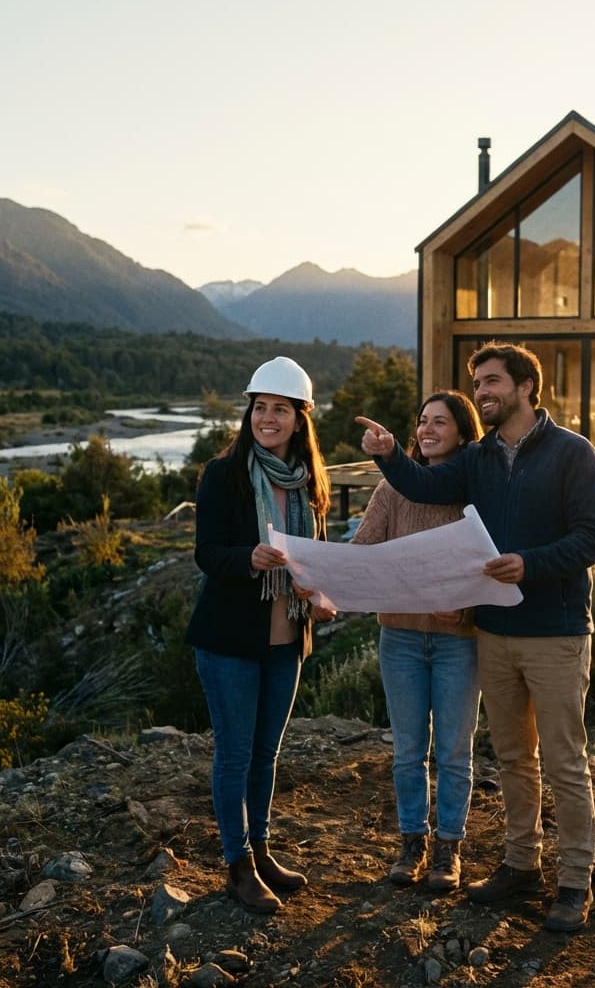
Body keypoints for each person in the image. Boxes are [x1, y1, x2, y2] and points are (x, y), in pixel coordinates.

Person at [356, 341, 595, 932]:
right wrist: (392, 454)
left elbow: (593, 538)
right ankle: (521, 864)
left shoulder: (574, 454)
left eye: (492, 381)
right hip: (493, 633)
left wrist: (529, 562)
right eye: (478, 384)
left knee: (566, 762)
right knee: (516, 759)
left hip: (556, 632)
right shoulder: (480, 459)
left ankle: (574, 880)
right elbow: (421, 488)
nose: (482, 393)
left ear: (526, 386)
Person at [186, 356, 336, 915]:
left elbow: (309, 562)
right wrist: (248, 558)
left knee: (265, 755)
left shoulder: (308, 482)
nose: (267, 419)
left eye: (280, 409)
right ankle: (238, 865)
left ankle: (263, 850)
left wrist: (317, 595)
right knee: (234, 754)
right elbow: (207, 554)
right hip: (229, 639)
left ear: (300, 419)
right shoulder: (223, 474)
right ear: (249, 412)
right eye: (260, 408)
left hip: (285, 639)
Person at [352, 390, 483, 892]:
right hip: (400, 638)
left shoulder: (474, 490)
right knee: (408, 751)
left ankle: (449, 847)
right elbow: (363, 550)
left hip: (458, 641)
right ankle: (413, 842)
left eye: (440, 422)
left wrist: (466, 608)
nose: (428, 430)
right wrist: (315, 568)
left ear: (462, 432)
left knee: (453, 751)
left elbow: (488, 564)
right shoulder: (392, 489)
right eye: (423, 421)